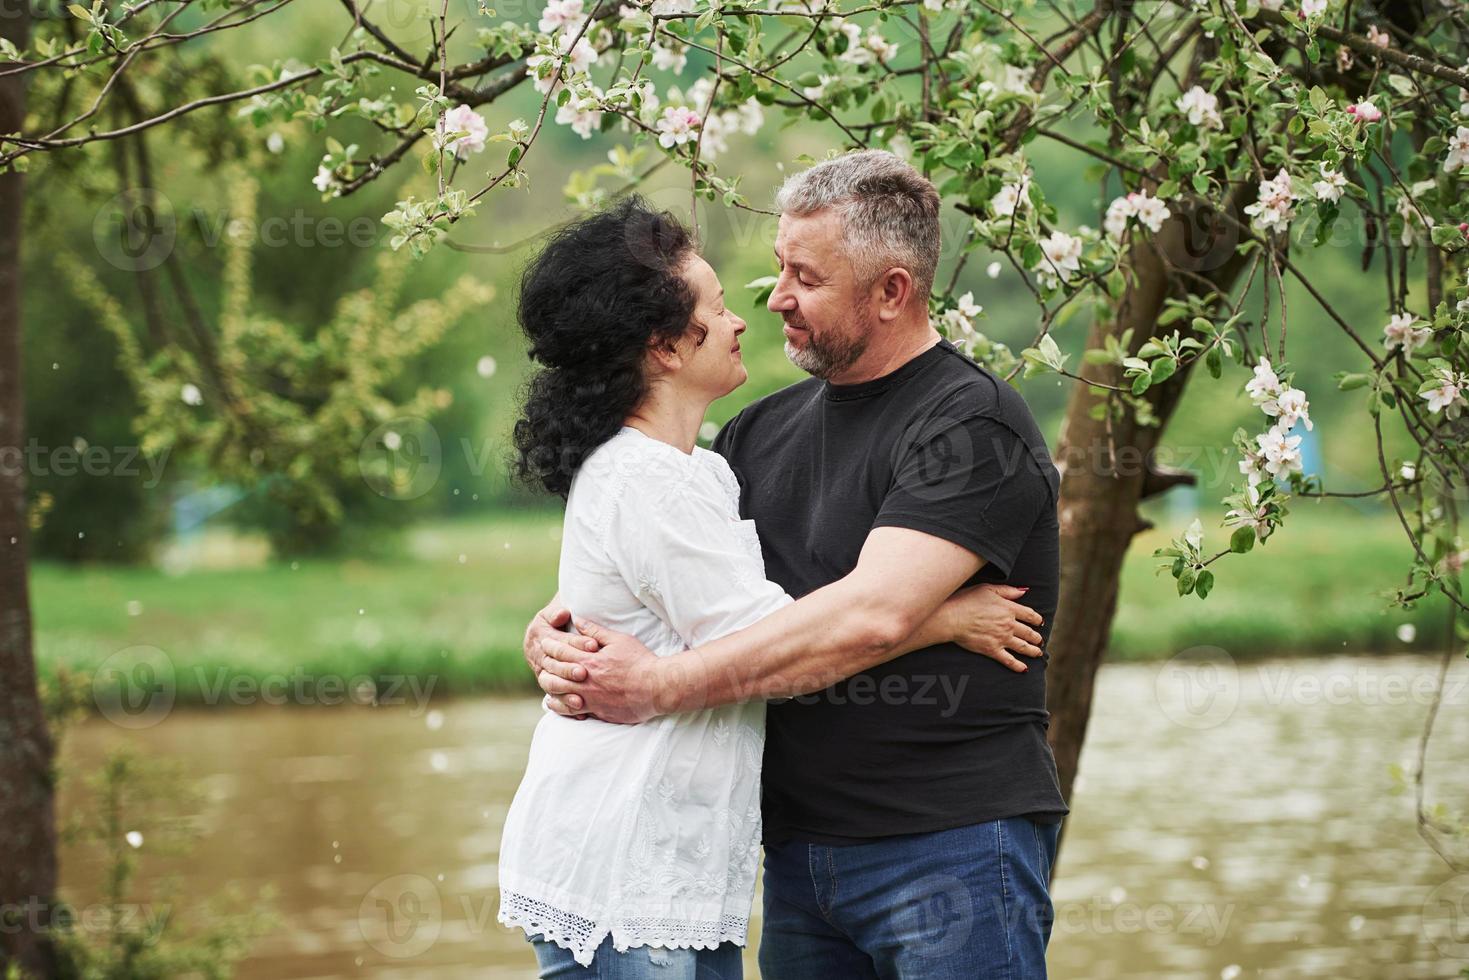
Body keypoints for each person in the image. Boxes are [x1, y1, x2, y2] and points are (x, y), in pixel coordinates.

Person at [529, 150, 1069, 979]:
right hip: (795, 863)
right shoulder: (753, 435)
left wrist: (659, 687)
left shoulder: (967, 427)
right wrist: (563, 627)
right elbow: (676, 585)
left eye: (805, 277)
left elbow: (867, 618)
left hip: (946, 848)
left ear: (891, 291)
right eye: (780, 267)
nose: (774, 297)